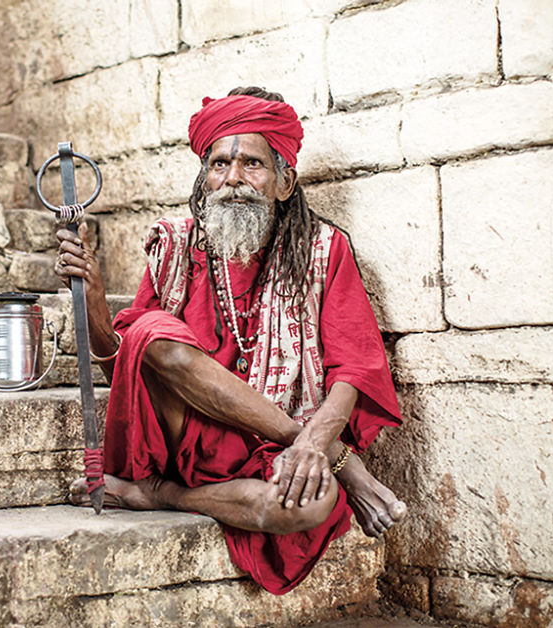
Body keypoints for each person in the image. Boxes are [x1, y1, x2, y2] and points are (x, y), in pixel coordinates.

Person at [54, 86, 407, 594]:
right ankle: (334, 466)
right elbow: (131, 372)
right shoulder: (175, 247)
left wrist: (312, 444)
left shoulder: (323, 250)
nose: (234, 179)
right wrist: (94, 304)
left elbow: (355, 369)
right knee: (153, 334)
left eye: (252, 164)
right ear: (204, 178)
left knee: (311, 503)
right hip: (187, 439)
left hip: (270, 457)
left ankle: (158, 496)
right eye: (219, 164)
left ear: (285, 181)